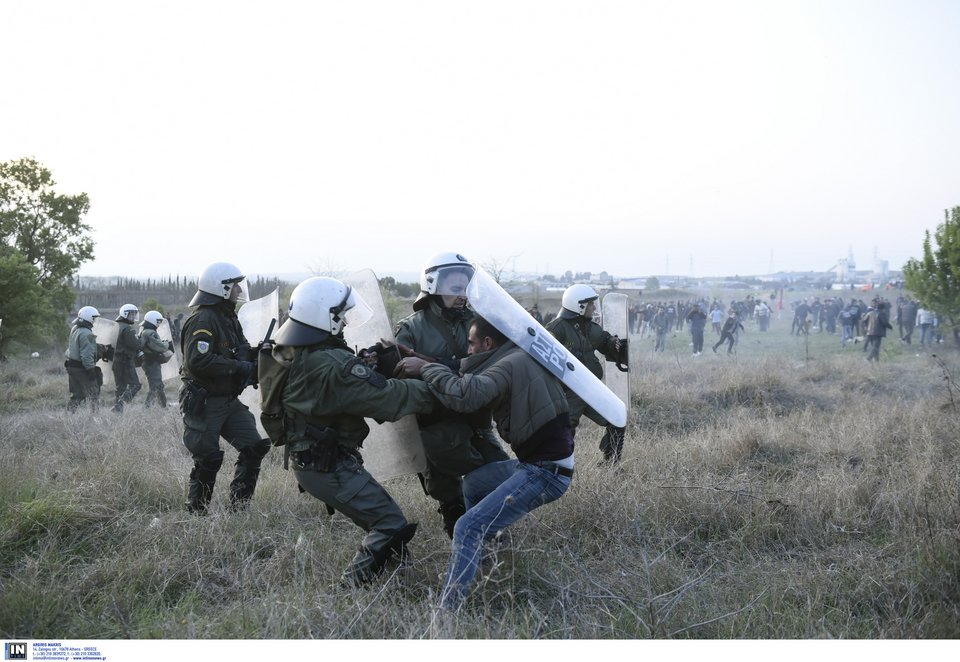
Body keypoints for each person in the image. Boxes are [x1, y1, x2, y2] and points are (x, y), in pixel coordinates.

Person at [268, 276, 438, 586]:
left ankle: (399, 578)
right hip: (327, 465)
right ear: (326, 318)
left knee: (383, 520)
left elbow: (335, 386)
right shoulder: (334, 364)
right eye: (341, 315)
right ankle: (350, 588)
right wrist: (439, 384)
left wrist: (361, 368)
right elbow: (389, 401)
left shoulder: (304, 350)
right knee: (389, 523)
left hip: (316, 461)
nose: (346, 321)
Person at [398, 315, 573, 610]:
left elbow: (467, 394)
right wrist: (418, 357)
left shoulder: (509, 364)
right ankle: (492, 570)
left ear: (488, 343)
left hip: (545, 473)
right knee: (475, 483)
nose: (467, 350)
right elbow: (465, 369)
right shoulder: (517, 356)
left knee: (467, 527)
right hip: (545, 465)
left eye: (471, 343)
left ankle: (446, 612)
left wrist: (425, 368)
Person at [392, 252, 510, 537]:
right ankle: (460, 529)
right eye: (455, 289)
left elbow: (496, 360)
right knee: (449, 493)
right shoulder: (410, 329)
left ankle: (491, 533)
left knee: (501, 476)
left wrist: (434, 367)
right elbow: (399, 380)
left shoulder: (480, 322)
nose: (462, 295)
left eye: (465, 288)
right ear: (433, 287)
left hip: (476, 419)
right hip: (436, 422)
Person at [179, 262, 271, 515]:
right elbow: (198, 361)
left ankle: (238, 508)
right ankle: (197, 514)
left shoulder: (227, 317)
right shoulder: (203, 319)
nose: (239, 289)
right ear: (223, 288)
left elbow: (236, 351)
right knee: (208, 459)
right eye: (235, 284)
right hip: (206, 402)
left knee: (254, 447)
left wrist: (257, 352)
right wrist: (239, 367)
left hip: (228, 400)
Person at [545, 284, 627, 463]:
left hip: (590, 389)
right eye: (590, 304)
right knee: (564, 433)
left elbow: (604, 341)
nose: (594, 307)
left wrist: (615, 344)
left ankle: (610, 463)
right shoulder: (557, 328)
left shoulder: (590, 328)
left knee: (617, 418)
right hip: (568, 392)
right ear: (579, 306)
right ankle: (558, 469)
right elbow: (543, 356)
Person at [64, 306, 103, 411]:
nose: (94, 320)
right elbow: (86, 355)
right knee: (93, 394)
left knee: (77, 395)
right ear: (88, 318)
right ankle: (94, 418)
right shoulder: (87, 333)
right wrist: (91, 370)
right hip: (82, 368)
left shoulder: (75, 329)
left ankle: (69, 417)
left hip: (72, 366)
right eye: (93, 318)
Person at [111, 303, 143, 413]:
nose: (133, 317)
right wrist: (143, 340)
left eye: (134, 314)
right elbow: (136, 345)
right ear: (125, 314)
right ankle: (119, 405)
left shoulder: (115, 326)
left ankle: (117, 412)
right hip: (125, 361)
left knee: (120, 388)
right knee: (135, 385)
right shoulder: (127, 328)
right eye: (131, 314)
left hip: (116, 361)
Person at [139, 310, 174, 407]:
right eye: (158, 321)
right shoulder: (150, 332)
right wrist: (167, 343)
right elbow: (160, 346)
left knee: (156, 386)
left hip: (149, 361)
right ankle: (152, 407)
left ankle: (160, 406)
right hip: (151, 362)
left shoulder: (145, 331)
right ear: (153, 321)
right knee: (157, 385)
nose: (159, 324)